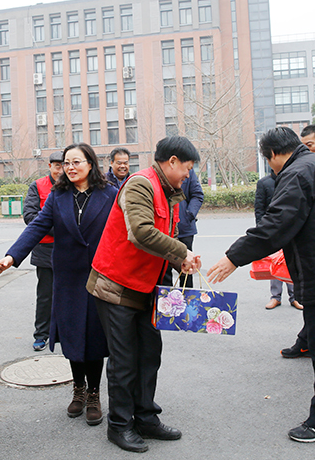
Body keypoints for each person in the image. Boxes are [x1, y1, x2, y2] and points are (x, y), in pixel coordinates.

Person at [207, 127, 315, 443]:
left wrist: (233, 258)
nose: (271, 169)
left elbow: (275, 224)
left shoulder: (297, 173)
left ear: (272, 154)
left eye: (268, 162)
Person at [87, 136, 202, 453]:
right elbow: (140, 232)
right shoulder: (141, 184)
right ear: (172, 161)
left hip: (147, 287)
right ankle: (119, 425)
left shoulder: (169, 192)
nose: (188, 175)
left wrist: (180, 262)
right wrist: (182, 251)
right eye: (187, 168)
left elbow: (165, 237)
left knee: (149, 354)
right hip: (116, 287)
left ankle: (146, 417)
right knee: (124, 360)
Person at [0, 143, 117, 426]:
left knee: (94, 337)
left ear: (90, 164)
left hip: (98, 276)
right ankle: (78, 389)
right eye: (66, 163)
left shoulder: (110, 194)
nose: (70, 168)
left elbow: (123, 231)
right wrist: (12, 256)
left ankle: (94, 394)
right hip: (67, 277)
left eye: (77, 162)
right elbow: (37, 226)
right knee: (73, 335)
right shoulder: (58, 195)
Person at [280, 124, 315, 357]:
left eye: (309, 145)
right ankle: (306, 341)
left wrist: (234, 258)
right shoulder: (304, 168)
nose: (304, 151)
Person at [23, 151, 64, 351]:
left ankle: (66, 332)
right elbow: (30, 216)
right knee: (46, 295)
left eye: (64, 165)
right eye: (57, 166)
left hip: (70, 249)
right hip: (45, 249)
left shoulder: (74, 186)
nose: (61, 170)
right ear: (50, 167)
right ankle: (41, 334)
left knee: (71, 293)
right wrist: (61, 228)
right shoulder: (38, 186)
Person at [254, 171, 301, 310]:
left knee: (290, 262)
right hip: (271, 230)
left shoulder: (292, 179)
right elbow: (259, 208)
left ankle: (295, 297)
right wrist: (261, 230)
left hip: (290, 228)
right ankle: (275, 297)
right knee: (274, 262)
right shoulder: (264, 183)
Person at [161, 167, 204, 288]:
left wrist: (188, 214)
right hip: (163, 230)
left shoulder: (187, 171)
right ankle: (167, 297)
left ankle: (187, 297)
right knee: (164, 269)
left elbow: (197, 194)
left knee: (187, 268)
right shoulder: (160, 171)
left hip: (184, 228)